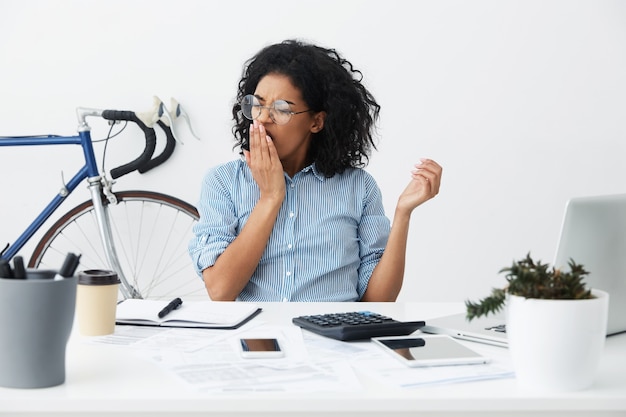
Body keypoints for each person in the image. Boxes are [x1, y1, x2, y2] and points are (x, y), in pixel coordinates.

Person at [188, 39, 442, 302]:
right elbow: (220, 290)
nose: (263, 118)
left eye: (281, 109)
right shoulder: (224, 182)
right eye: (258, 104)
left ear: (316, 122)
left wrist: (403, 213)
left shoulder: (359, 188)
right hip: (258, 340)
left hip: (334, 339)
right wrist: (270, 197)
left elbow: (378, 303)